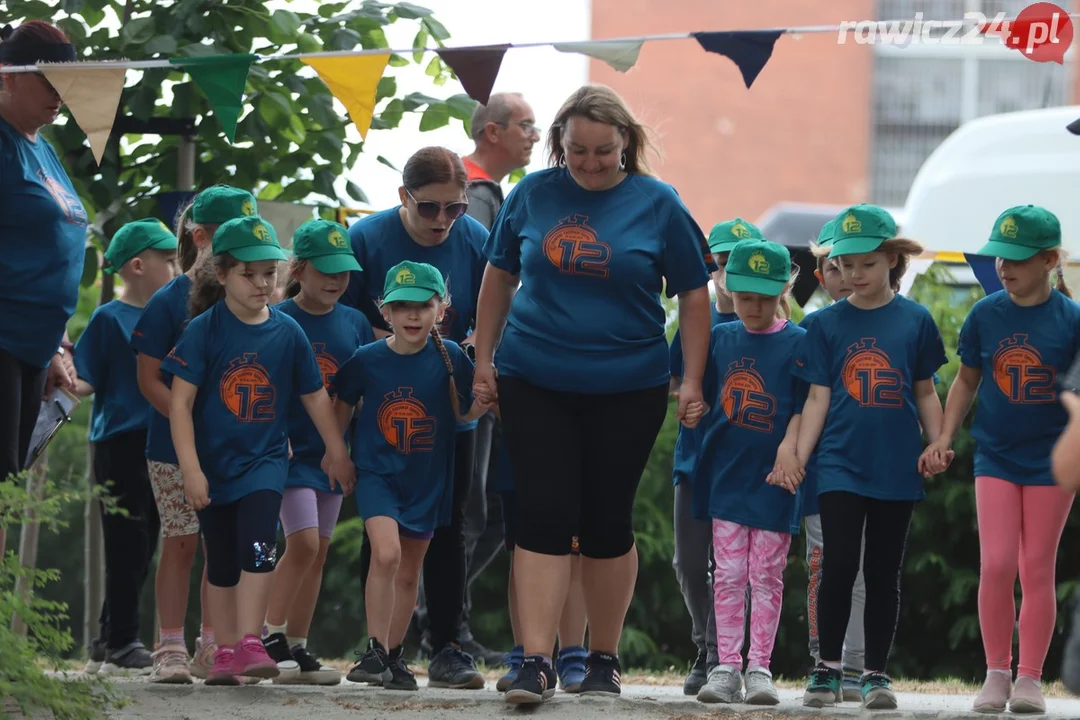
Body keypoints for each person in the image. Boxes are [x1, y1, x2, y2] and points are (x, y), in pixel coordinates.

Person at [470, 83, 712, 704]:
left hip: (626, 385)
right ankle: (533, 661)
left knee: (606, 523)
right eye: (578, 150)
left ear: (626, 143)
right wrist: (485, 362)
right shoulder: (532, 194)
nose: (591, 162)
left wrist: (689, 377)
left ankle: (602, 659)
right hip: (534, 377)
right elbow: (499, 278)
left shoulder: (659, 204)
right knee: (542, 517)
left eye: (603, 151)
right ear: (560, 144)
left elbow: (692, 294)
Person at [164, 215, 354, 685]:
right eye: (248, 273)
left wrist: (337, 451)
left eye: (269, 273)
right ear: (222, 274)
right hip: (213, 467)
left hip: (266, 464)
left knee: (259, 546)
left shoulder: (288, 332)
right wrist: (190, 470)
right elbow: (180, 404)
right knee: (224, 562)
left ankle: (251, 638)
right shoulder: (204, 330)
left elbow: (314, 397)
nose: (261, 283)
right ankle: (226, 649)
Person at [922, 205, 1079, 714]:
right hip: (996, 456)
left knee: (1037, 566)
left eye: (1016, 259)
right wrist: (944, 435)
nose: (1003, 268)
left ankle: (1029, 679)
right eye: (998, 258)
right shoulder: (985, 314)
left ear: (1050, 260)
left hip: (1052, 462)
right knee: (997, 564)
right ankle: (996, 674)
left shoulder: (1073, 321)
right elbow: (967, 380)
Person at [343, 147, 490, 688]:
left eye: (456, 209)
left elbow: (494, 306)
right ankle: (377, 647)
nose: (443, 222)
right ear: (403, 197)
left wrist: (477, 351)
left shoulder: (474, 239)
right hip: (383, 405)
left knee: (448, 527)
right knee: (381, 538)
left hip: (450, 411)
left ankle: (447, 644)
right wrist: (399, 346)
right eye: (430, 208)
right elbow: (343, 316)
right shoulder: (367, 239)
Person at [795, 204, 947, 710]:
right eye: (844, 265)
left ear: (892, 261)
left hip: (896, 464)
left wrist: (938, 440)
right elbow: (816, 398)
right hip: (838, 463)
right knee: (838, 563)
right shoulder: (824, 325)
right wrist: (800, 455)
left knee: (883, 571)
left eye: (867, 264)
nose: (854, 275)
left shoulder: (917, 321)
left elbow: (925, 391)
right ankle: (827, 670)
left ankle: (876, 675)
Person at [131, 185, 259, 683]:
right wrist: (192, 431)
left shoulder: (250, 308)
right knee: (181, 542)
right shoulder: (169, 302)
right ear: (201, 237)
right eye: (232, 248)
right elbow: (148, 379)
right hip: (170, 451)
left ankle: (217, 643)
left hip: (233, 453)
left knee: (224, 548)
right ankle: (168, 647)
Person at [695, 239, 805, 706]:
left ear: (785, 288)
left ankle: (760, 666)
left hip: (776, 481)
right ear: (728, 289)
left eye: (764, 296)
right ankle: (724, 665)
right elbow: (697, 393)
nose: (754, 307)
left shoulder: (800, 342)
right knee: (728, 573)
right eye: (745, 297)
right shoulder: (720, 338)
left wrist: (789, 448)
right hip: (727, 476)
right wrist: (692, 407)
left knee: (767, 572)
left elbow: (806, 406)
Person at [261, 219, 372, 685]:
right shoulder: (278, 319)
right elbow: (264, 385)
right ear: (299, 269)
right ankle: (269, 636)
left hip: (332, 455)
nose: (335, 280)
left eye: (343, 271)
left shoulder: (355, 321)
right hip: (288, 455)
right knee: (302, 543)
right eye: (324, 270)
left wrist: (345, 450)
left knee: (319, 551)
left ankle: (298, 646)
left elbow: (363, 386)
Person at [75, 220, 178, 674]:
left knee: (147, 540)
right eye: (170, 260)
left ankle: (108, 636)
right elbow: (83, 378)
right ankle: (122, 642)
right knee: (126, 542)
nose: (178, 268)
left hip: (163, 442)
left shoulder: (172, 318)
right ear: (138, 265)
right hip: (119, 443)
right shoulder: (107, 319)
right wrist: (46, 375)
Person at [460, 91, 540, 667]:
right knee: (472, 509)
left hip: (488, 365)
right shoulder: (476, 196)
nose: (536, 135)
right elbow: (483, 283)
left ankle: (439, 617)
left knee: (485, 512)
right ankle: (442, 624)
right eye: (527, 125)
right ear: (492, 131)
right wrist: (482, 360)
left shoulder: (495, 195)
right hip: (473, 368)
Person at [0, 20, 85, 559]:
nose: (61, 94)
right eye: (48, 81)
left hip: (31, 347)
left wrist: (55, 344)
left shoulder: (42, 146)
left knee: (7, 490)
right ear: (7, 75)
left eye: (67, 82)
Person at [670, 218, 746, 695]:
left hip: (745, 469)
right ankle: (706, 641)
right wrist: (687, 399)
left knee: (737, 567)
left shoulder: (778, 328)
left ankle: (723, 656)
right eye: (721, 264)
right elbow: (675, 383)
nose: (727, 275)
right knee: (690, 562)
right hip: (695, 462)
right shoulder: (696, 320)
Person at [800, 220, 867, 702]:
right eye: (831, 265)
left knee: (868, 568)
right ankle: (826, 659)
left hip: (875, 470)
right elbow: (802, 404)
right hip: (823, 470)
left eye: (851, 264)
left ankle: (858, 664)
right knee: (825, 565)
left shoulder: (897, 320)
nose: (841, 273)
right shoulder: (813, 327)